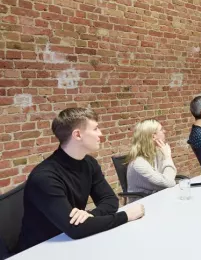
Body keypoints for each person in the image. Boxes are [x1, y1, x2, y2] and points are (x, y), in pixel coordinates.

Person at [17, 108, 145, 252]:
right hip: (40, 250)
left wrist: (90, 215)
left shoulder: (89, 163)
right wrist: (127, 215)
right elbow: (76, 229)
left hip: (71, 243)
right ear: (77, 135)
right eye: (95, 129)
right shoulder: (44, 177)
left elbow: (110, 200)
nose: (100, 134)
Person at [125, 119, 177, 202]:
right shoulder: (138, 163)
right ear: (153, 137)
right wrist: (167, 157)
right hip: (143, 205)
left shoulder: (157, 152)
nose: (165, 131)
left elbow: (168, 178)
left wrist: (165, 157)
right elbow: (169, 182)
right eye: (161, 129)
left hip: (159, 199)